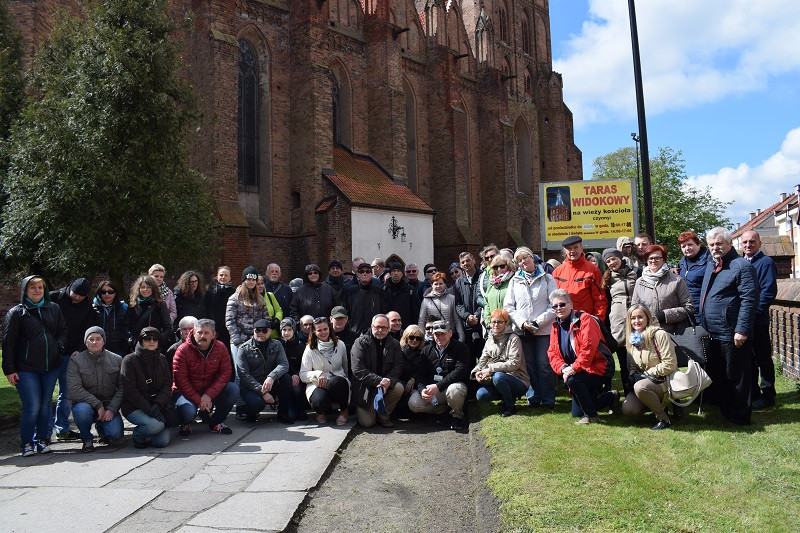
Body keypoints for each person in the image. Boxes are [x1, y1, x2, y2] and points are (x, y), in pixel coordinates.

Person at [2, 275, 67, 456]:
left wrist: (58, 347)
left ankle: (42, 439)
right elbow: (8, 343)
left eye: (40, 287)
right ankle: (27, 443)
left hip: (50, 366)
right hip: (26, 368)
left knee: (46, 405)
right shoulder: (16, 313)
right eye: (33, 287)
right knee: (32, 406)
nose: (37, 290)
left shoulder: (53, 308)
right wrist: (9, 369)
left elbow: (62, 330)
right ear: (25, 290)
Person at [700, 227, 758, 425]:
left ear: (729, 244)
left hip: (732, 332)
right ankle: (727, 412)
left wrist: (742, 329)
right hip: (714, 331)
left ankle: (740, 416)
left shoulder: (741, 266)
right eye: (712, 244)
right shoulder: (713, 264)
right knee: (721, 374)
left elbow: (749, 299)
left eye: (719, 244)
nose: (715, 247)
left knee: (737, 376)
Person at [547, 289, 619, 425]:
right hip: (578, 371)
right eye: (555, 306)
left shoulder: (585, 319)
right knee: (577, 413)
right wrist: (563, 369)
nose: (558, 308)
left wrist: (572, 369)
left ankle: (592, 416)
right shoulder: (555, 325)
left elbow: (588, 349)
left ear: (571, 304)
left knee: (573, 381)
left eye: (562, 304)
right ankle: (611, 396)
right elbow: (552, 353)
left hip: (599, 366)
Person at [503, 247, 557, 408]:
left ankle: (548, 398)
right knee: (529, 365)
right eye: (519, 260)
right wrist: (522, 323)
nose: (524, 262)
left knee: (544, 365)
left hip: (543, 330)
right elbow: (509, 306)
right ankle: (533, 397)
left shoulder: (547, 278)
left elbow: (553, 305)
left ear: (533, 258)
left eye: (526, 258)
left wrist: (537, 323)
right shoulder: (514, 281)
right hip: (523, 330)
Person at [172, 319, 239, 435]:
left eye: (206, 333)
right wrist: (200, 400)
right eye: (199, 332)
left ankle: (216, 422)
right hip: (185, 392)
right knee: (188, 412)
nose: (202, 336)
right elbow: (180, 380)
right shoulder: (182, 350)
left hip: (209, 389)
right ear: (193, 332)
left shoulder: (221, 348)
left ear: (214, 334)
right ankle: (185, 422)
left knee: (233, 389)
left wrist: (208, 395)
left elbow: (226, 373)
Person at [50, 277, 97, 441]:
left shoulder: (87, 308)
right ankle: (44, 432)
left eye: (81, 296)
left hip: (71, 353)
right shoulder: (54, 298)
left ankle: (62, 429)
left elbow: (86, 329)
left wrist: (79, 349)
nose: (76, 298)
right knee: (46, 393)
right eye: (75, 294)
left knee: (67, 392)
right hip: (50, 352)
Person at [621, 304, 678, 430]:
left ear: (647, 318)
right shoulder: (631, 339)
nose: (636, 321)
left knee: (640, 387)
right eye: (633, 318)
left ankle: (663, 418)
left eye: (640, 317)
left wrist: (649, 373)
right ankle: (656, 405)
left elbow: (670, 363)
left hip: (665, 380)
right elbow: (633, 366)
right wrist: (634, 375)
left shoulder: (659, 334)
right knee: (628, 409)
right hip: (645, 382)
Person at [68, 326, 124, 452]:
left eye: (98, 339)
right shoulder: (76, 361)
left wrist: (111, 409)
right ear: (85, 342)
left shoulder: (117, 359)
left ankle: (102, 429)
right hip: (86, 404)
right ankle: (87, 439)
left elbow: (122, 388)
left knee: (116, 435)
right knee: (82, 410)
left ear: (104, 341)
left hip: (109, 404)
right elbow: (74, 389)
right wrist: (98, 405)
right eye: (91, 339)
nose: (94, 342)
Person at [408, 320, 471, 430]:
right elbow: (420, 373)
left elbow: (460, 371)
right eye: (437, 334)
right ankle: (445, 410)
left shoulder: (461, 348)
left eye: (443, 334)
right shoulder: (427, 350)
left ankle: (456, 416)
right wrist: (422, 390)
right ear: (433, 335)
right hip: (434, 390)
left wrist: (439, 386)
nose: (440, 337)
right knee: (414, 403)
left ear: (450, 333)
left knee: (455, 390)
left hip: (451, 386)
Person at [741, 230, 778, 409]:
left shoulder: (766, 263)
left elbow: (768, 291)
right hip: (743, 322)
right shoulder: (740, 263)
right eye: (745, 242)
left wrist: (753, 313)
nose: (748, 245)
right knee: (748, 360)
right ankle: (754, 394)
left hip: (758, 321)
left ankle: (768, 396)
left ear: (760, 243)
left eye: (752, 242)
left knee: (763, 359)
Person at [120, 327, 173, 449]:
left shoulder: (162, 359)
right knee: (156, 425)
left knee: (161, 442)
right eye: (147, 338)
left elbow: (167, 385)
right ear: (141, 340)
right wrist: (148, 408)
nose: (152, 341)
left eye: (155, 339)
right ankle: (138, 436)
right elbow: (130, 391)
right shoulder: (129, 360)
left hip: (157, 406)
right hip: (135, 407)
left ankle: (149, 431)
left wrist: (158, 404)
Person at [471, 309, 530, 417]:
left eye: (500, 322)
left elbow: (514, 364)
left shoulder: (514, 339)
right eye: (493, 322)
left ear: (506, 323)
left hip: (518, 380)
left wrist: (491, 369)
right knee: (481, 395)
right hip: (497, 380)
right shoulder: (489, 340)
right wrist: (477, 372)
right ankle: (506, 397)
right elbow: (482, 360)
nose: (496, 325)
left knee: (498, 377)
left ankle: (510, 407)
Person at [350, 314, 404, 428]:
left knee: (399, 388)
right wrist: (379, 380)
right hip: (365, 387)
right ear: (371, 326)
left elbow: (398, 366)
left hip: (386, 386)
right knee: (367, 423)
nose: (380, 330)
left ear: (388, 328)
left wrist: (388, 381)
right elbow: (358, 369)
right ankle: (373, 412)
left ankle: (383, 415)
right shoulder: (360, 343)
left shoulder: (394, 344)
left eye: (384, 328)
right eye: (377, 327)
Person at [235, 318, 293, 423]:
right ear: (253, 331)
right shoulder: (244, 348)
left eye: (264, 330)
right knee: (257, 405)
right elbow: (243, 375)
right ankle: (248, 410)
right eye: (258, 330)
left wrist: (271, 377)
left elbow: (283, 364)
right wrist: (262, 391)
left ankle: (282, 413)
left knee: (286, 378)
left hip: (270, 382)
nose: (261, 333)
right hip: (252, 386)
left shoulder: (277, 344)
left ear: (270, 331)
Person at [630, 244, 694, 334]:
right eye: (650, 258)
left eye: (657, 258)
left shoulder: (676, 280)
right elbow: (634, 309)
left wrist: (665, 315)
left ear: (663, 260)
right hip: (648, 334)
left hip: (673, 334)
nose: (653, 261)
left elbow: (689, 308)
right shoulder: (639, 282)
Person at [299, 317, 351, 425]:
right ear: (314, 331)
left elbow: (345, 367)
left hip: (337, 380)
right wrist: (318, 374)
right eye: (319, 330)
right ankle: (322, 411)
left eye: (325, 329)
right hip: (318, 384)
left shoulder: (340, 345)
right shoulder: (309, 349)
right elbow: (303, 374)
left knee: (336, 382)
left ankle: (344, 410)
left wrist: (346, 386)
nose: (323, 332)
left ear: (330, 328)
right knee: (319, 401)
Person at [601, 248, 637, 395]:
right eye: (608, 261)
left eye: (613, 259)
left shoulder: (635, 273)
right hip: (618, 324)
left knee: (636, 359)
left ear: (620, 258)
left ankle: (639, 392)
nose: (612, 263)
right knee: (622, 361)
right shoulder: (607, 279)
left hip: (636, 322)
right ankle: (625, 393)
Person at [552, 236, 608, 320]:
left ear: (581, 248)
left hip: (585, 322)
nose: (572, 251)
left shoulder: (593, 271)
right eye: (569, 248)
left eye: (576, 247)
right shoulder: (557, 271)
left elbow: (600, 300)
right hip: (563, 322)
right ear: (565, 251)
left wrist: (597, 321)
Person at [226, 266, 271, 362]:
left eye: (253, 280)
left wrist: (263, 336)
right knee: (240, 372)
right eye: (248, 279)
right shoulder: (234, 298)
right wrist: (237, 341)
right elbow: (230, 321)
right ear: (244, 280)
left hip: (257, 341)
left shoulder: (261, 299)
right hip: (239, 341)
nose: (251, 282)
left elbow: (266, 319)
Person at [339, 261, 391, 335]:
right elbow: (345, 310)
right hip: (355, 332)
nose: (364, 273)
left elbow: (384, 311)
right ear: (358, 274)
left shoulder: (379, 291)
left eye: (367, 271)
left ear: (371, 274)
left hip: (375, 332)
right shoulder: (350, 291)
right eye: (362, 271)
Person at [127, 274, 173, 353]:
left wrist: (155, 341)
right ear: (139, 289)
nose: (145, 289)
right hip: (137, 347)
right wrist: (132, 339)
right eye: (143, 287)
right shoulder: (133, 305)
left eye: (148, 287)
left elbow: (168, 328)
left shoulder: (160, 304)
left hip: (154, 348)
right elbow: (127, 325)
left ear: (153, 289)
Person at [453, 252, 485, 360]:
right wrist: (467, 316)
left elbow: (485, 299)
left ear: (474, 261)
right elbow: (458, 304)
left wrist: (477, 315)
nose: (466, 263)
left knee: (483, 357)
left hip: (482, 324)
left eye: (468, 260)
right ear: (460, 265)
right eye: (463, 262)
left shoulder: (483, 277)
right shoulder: (458, 282)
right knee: (469, 358)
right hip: (466, 327)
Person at [418, 272, 464, 341]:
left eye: (440, 283)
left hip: (448, 335)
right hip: (432, 336)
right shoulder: (426, 299)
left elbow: (456, 319)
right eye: (436, 284)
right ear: (432, 285)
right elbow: (421, 320)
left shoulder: (451, 298)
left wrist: (461, 338)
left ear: (445, 284)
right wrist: (421, 338)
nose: (438, 286)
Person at [677, 231, 711, 323]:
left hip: (703, 312)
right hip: (687, 311)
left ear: (698, 245)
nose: (687, 248)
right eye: (683, 246)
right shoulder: (682, 263)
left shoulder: (709, 261)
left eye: (690, 245)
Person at [280, 317, 309, 420]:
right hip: (283, 376)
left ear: (294, 330)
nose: (286, 332)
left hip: (298, 375)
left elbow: (304, 364)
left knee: (296, 390)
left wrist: (296, 374)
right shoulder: (278, 344)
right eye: (284, 330)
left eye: (289, 329)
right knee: (291, 415)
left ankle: (301, 409)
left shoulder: (300, 345)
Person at [92, 280, 129, 356]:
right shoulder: (93, 309)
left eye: (110, 292)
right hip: (99, 349)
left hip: (119, 349)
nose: (107, 294)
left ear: (115, 293)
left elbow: (128, 326)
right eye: (103, 292)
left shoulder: (123, 307)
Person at [204, 266, 235, 353]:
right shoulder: (209, 292)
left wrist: (220, 327)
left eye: (226, 275)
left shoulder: (234, 292)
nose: (223, 277)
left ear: (230, 277)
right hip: (210, 329)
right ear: (217, 276)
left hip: (226, 329)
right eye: (221, 275)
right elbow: (207, 309)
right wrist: (212, 327)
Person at [397, 325, 426, 416]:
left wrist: (413, 379)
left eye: (418, 338)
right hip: (400, 382)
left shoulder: (423, 353)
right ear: (406, 337)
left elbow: (422, 370)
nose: (414, 340)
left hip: (416, 384)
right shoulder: (398, 351)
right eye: (411, 337)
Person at [482, 254, 516, 328]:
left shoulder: (514, 280)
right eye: (495, 267)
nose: (499, 269)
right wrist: (488, 322)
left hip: (511, 327)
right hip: (494, 327)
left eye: (502, 266)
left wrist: (508, 323)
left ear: (508, 266)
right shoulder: (491, 282)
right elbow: (486, 302)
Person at [383, 262, 420, 328]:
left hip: (405, 325)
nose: (396, 273)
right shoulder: (384, 289)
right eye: (394, 271)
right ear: (390, 273)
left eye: (398, 271)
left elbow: (415, 311)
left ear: (402, 273)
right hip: (388, 326)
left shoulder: (409, 290)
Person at [256, 274, 283, 339]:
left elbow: (279, 310)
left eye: (262, 283)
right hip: (259, 334)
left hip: (273, 334)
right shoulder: (251, 299)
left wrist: (277, 319)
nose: (260, 286)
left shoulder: (270, 295)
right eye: (258, 284)